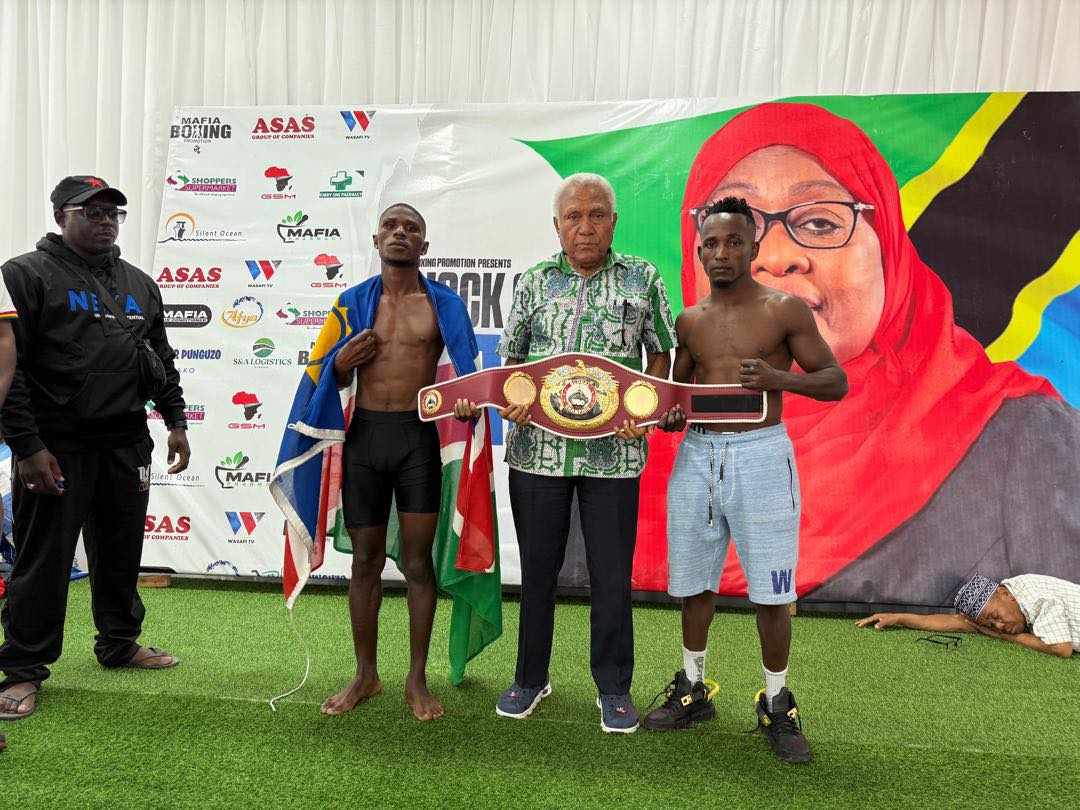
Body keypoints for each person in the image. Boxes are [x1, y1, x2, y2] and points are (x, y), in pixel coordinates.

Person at [649, 101, 1078, 607]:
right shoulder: (649, 451)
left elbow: (1061, 621)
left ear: (889, 248)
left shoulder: (1024, 438)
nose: (774, 257)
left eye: (820, 223)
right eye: (734, 230)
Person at [458, 173, 677, 734]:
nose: (586, 226)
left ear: (613, 221)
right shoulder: (533, 282)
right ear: (557, 226)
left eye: (597, 214)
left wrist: (644, 408)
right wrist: (513, 400)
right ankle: (530, 678)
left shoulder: (643, 278)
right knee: (537, 571)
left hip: (615, 455)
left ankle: (614, 687)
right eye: (574, 216)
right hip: (538, 452)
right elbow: (511, 360)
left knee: (612, 575)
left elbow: (660, 354)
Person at [640, 197, 846, 763]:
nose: (721, 253)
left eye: (734, 242)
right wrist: (669, 416)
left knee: (772, 592)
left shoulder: (785, 310)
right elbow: (677, 397)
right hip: (697, 455)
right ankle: (692, 688)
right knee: (693, 583)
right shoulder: (689, 320)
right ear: (699, 250)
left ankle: (777, 702)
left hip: (762, 455)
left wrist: (781, 378)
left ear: (754, 247)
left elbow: (835, 381)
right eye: (711, 243)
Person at [0, 175, 191, 722]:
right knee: (44, 558)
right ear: (61, 215)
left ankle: (118, 642)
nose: (105, 221)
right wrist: (28, 445)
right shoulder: (24, 274)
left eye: (113, 213)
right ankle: (23, 668)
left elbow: (159, 356)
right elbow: (10, 370)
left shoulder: (139, 283)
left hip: (127, 441)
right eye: (91, 211)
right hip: (56, 446)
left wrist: (176, 420)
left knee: (120, 551)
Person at [316, 203, 482, 722]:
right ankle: (365, 674)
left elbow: (470, 379)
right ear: (376, 239)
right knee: (363, 562)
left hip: (417, 443)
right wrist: (340, 365)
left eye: (411, 228)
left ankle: (416, 679)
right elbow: (320, 375)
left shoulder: (444, 304)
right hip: (364, 439)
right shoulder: (350, 303)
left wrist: (467, 402)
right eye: (390, 226)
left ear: (424, 246)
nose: (400, 233)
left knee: (417, 564)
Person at [857, 573, 1078, 658]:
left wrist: (1004, 637)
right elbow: (956, 622)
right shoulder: (1010, 597)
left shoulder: (1037, 598)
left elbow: (1061, 649)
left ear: (1004, 594)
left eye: (996, 616)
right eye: (990, 625)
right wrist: (899, 618)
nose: (999, 626)